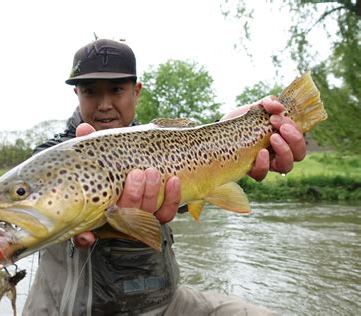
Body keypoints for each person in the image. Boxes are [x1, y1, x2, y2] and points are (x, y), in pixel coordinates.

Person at [23, 39, 306, 315]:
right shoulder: (48, 158)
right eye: (91, 92)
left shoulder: (162, 144)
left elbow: (194, 168)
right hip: (65, 308)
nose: (104, 104)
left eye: (117, 89)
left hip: (164, 303)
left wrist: (236, 127)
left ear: (137, 91)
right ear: (77, 94)